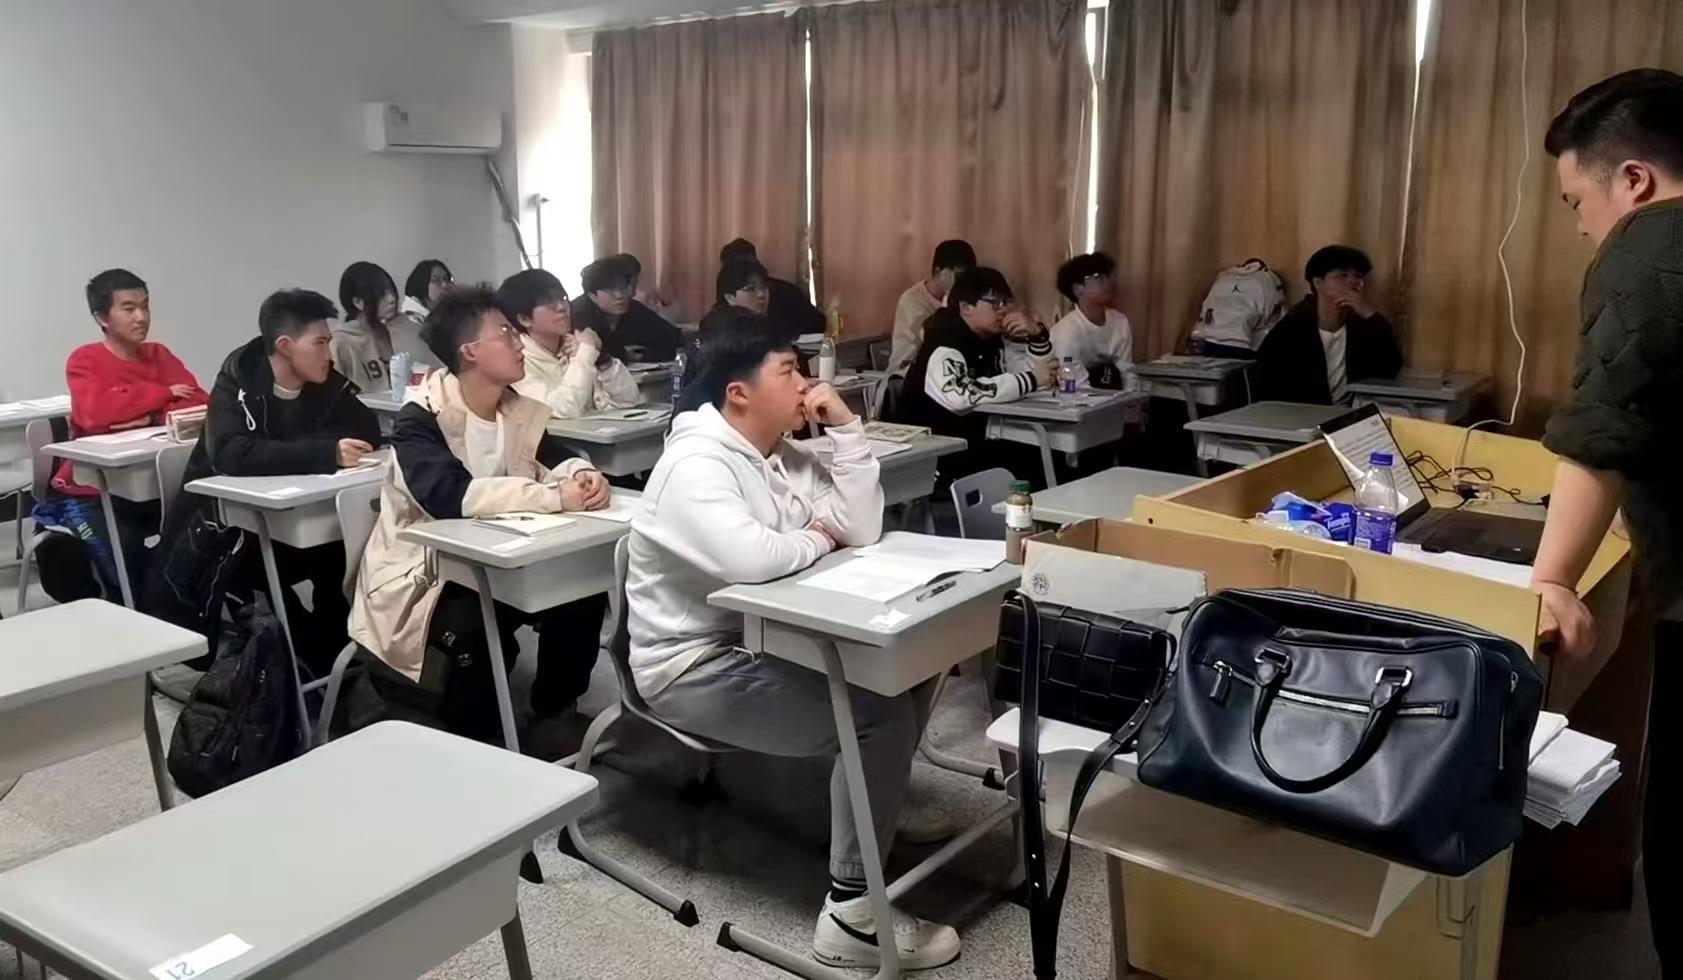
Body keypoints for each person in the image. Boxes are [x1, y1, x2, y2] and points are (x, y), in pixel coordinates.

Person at [626, 316, 961, 970]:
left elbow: (858, 527)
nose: (807, 383)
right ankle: (850, 914)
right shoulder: (694, 464)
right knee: (875, 716)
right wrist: (814, 537)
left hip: (762, 638)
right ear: (738, 393)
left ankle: (876, 805)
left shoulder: (779, 452)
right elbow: (754, 559)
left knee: (909, 664)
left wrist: (847, 431)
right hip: (689, 667)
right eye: (788, 372)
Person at [1528, 68, 1683, 973]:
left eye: (1574, 204)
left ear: (1632, 178)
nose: (1583, 228)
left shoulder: (1650, 240)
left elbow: (1604, 426)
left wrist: (1552, 574)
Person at [347, 286, 614, 742]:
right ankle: (479, 739)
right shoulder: (421, 419)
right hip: (425, 573)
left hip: (500, 556)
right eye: (505, 333)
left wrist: (584, 474)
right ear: (469, 351)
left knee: (580, 592)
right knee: (470, 626)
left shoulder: (514, 408)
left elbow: (554, 455)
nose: (518, 342)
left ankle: (554, 711)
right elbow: (451, 497)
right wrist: (554, 497)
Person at [161, 288, 384, 667]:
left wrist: (323, 444)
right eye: (319, 343)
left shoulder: (322, 379)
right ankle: (307, 664)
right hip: (227, 534)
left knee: (352, 551)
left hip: (299, 523)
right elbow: (231, 453)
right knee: (270, 582)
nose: (328, 353)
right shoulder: (239, 381)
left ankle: (332, 662)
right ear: (284, 346)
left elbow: (367, 429)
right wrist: (324, 452)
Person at [47, 268, 208, 598]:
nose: (141, 317)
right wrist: (163, 393)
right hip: (92, 493)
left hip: (153, 488)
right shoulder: (85, 359)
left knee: (199, 550)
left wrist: (142, 412)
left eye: (145, 306)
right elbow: (95, 415)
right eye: (129, 308)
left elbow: (198, 405)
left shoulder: (159, 354)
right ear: (101, 318)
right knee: (130, 579)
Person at [898, 267, 1057, 480]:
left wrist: (1037, 336)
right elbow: (960, 395)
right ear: (966, 307)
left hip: (981, 436)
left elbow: (1037, 376)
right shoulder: (943, 341)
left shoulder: (991, 339)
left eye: (1005, 303)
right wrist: (1031, 380)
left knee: (1048, 455)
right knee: (1034, 462)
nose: (1003, 311)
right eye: (995, 304)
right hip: (940, 450)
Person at [1254, 245, 1402, 405]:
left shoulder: (1360, 326)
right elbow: (1270, 387)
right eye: (1343, 275)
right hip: (1304, 413)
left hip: (1352, 411)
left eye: (1358, 276)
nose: (1354, 282)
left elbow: (1390, 367)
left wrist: (1369, 314)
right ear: (1318, 283)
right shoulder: (1292, 328)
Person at [496, 268, 639, 418]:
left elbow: (628, 401)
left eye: (563, 298)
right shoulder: (517, 362)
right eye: (548, 303)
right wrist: (586, 353)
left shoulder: (575, 347)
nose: (562, 307)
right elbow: (564, 410)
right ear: (525, 319)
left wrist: (602, 359)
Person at [571, 254, 684, 363]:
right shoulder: (576, 313)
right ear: (592, 295)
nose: (620, 295)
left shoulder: (633, 309)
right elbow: (591, 352)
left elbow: (674, 339)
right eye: (610, 290)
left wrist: (641, 356)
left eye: (623, 287)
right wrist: (624, 354)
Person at [888, 240, 976, 377]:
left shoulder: (962, 298)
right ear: (938, 271)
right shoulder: (912, 300)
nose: (962, 283)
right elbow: (932, 338)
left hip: (946, 372)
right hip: (906, 374)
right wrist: (950, 297)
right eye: (958, 276)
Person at [1051, 252, 1136, 391]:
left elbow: (1127, 372)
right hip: (1076, 397)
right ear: (1078, 288)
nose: (1109, 281)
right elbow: (1072, 383)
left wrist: (1131, 400)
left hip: (1116, 396)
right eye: (1099, 277)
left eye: (1109, 275)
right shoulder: (1066, 332)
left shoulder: (1119, 321)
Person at [720, 238, 826, 339]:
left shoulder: (786, 293)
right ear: (730, 298)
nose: (761, 294)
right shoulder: (720, 319)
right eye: (750, 289)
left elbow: (818, 323)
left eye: (763, 287)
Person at [331, 261, 401, 395]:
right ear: (357, 302)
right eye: (381, 295)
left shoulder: (390, 332)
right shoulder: (341, 343)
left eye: (392, 291)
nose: (392, 299)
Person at [393, 259, 453, 363]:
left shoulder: (443, 314)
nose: (445, 285)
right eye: (436, 280)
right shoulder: (411, 319)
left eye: (447, 279)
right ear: (421, 283)